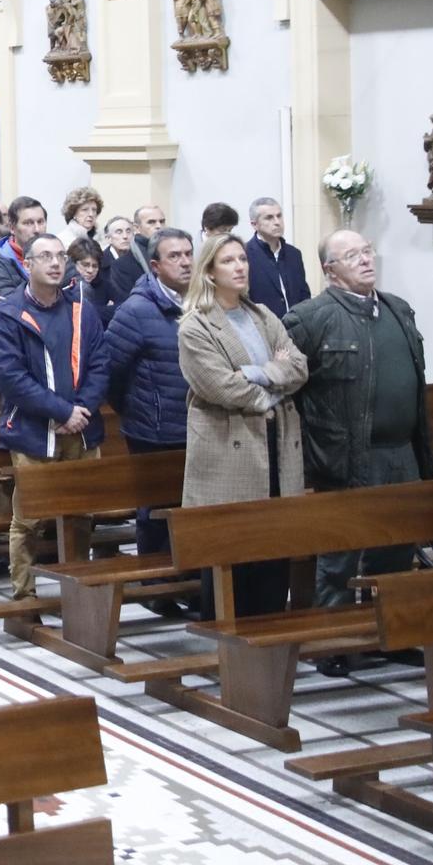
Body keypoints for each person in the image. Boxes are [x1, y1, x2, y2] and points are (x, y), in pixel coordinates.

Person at [283, 229, 433, 623]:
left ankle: (392, 633)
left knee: (397, 548)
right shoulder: (309, 318)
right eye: (352, 256)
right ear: (329, 270)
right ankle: (334, 641)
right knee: (341, 555)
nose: (366, 260)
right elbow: (289, 390)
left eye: (367, 251)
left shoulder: (398, 309)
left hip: (402, 451)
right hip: (346, 455)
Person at [176, 233, 309, 621]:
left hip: (275, 442)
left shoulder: (263, 315)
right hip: (226, 447)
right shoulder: (196, 326)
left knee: (273, 544)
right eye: (229, 261)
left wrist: (257, 373)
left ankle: (269, 632)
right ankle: (226, 640)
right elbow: (220, 385)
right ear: (211, 273)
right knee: (230, 549)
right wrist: (272, 384)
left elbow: (298, 367)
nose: (240, 267)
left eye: (242, 259)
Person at [0, 234, 111, 602]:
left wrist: (80, 410)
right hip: (33, 431)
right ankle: (25, 596)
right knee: (30, 519)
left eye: (60, 256)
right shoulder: (8, 314)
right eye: (45, 257)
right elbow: (11, 378)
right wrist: (61, 411)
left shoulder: (81, 310)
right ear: (28, 265)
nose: (56, 263)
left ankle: (79, 587)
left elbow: (101, 364)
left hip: (82, 430)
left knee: (82, 512)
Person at [95, 226, 196, 576]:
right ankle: (156, 585)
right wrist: (138, 408)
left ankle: (190, 578)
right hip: (153, 429)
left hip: (197, 426)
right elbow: (111, 371)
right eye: (174, 256)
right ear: (155, 265)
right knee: (154, 509)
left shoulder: (203, 304)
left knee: (191, 508)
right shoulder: (137, 310)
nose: (185, 262)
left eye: (188, 254)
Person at [244, 197, 310, 319]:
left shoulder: (294, 254)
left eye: (279, 216)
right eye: (269, 218)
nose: (277, 222)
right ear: (254, 224)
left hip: (297, 329)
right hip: (263, 328)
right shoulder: (245, 254)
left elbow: (303, 294)